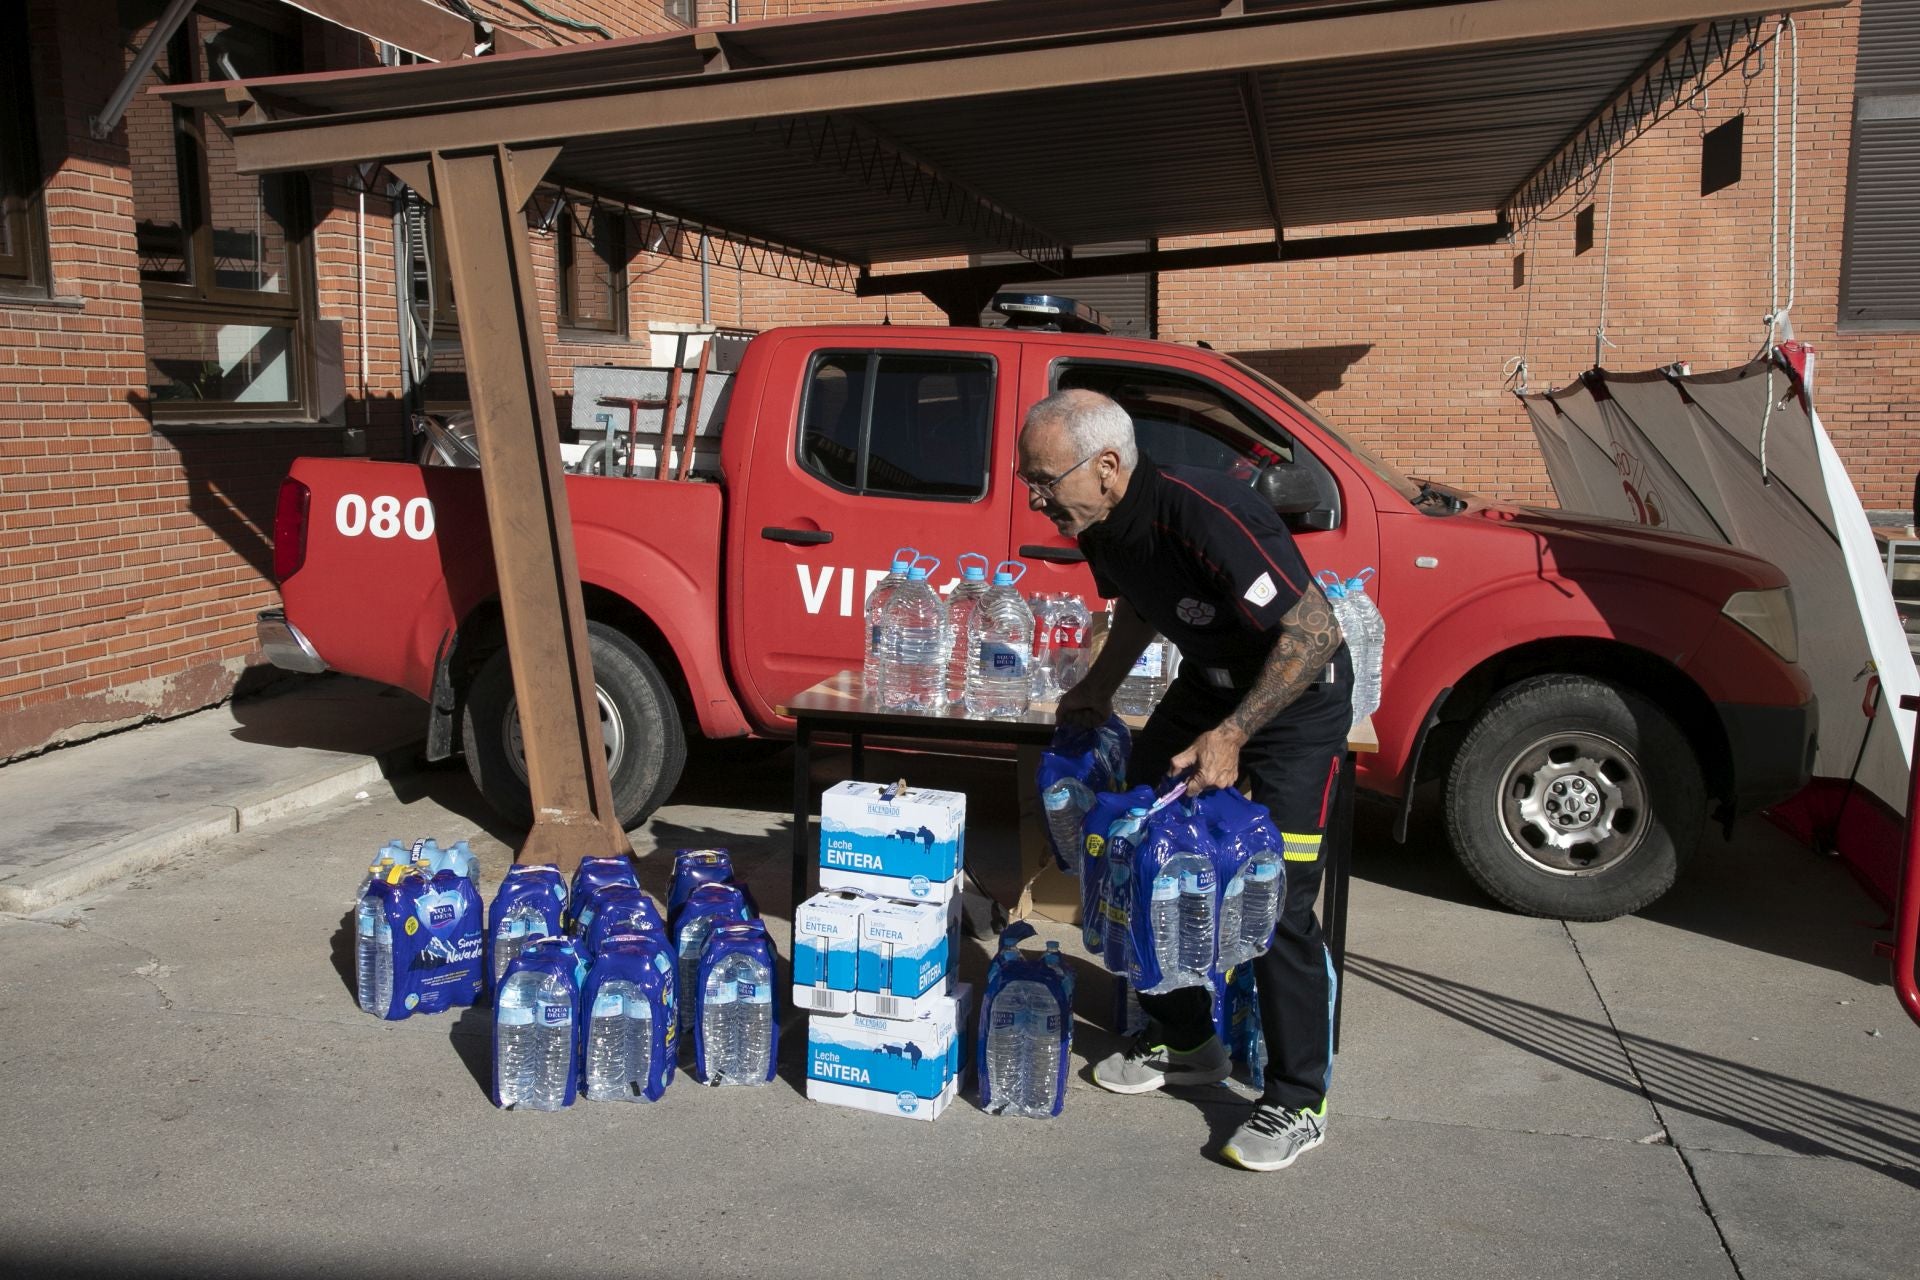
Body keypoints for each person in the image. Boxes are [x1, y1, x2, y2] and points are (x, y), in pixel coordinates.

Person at [1018, 388, 1351, 1172]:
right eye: (1029, 482)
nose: (1035, 500)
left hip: (1293, 702)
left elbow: (1314, 630)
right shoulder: (1098, 523)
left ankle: (1299, 1099)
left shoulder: (1206, 512)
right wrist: (1098, 685)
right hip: (1207, 687)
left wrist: (1234, 734)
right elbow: (1140, 606)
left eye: (1044, 481)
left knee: (1276, 897)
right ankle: (1188, 1037)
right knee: (1129, 848)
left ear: (1106, 468)